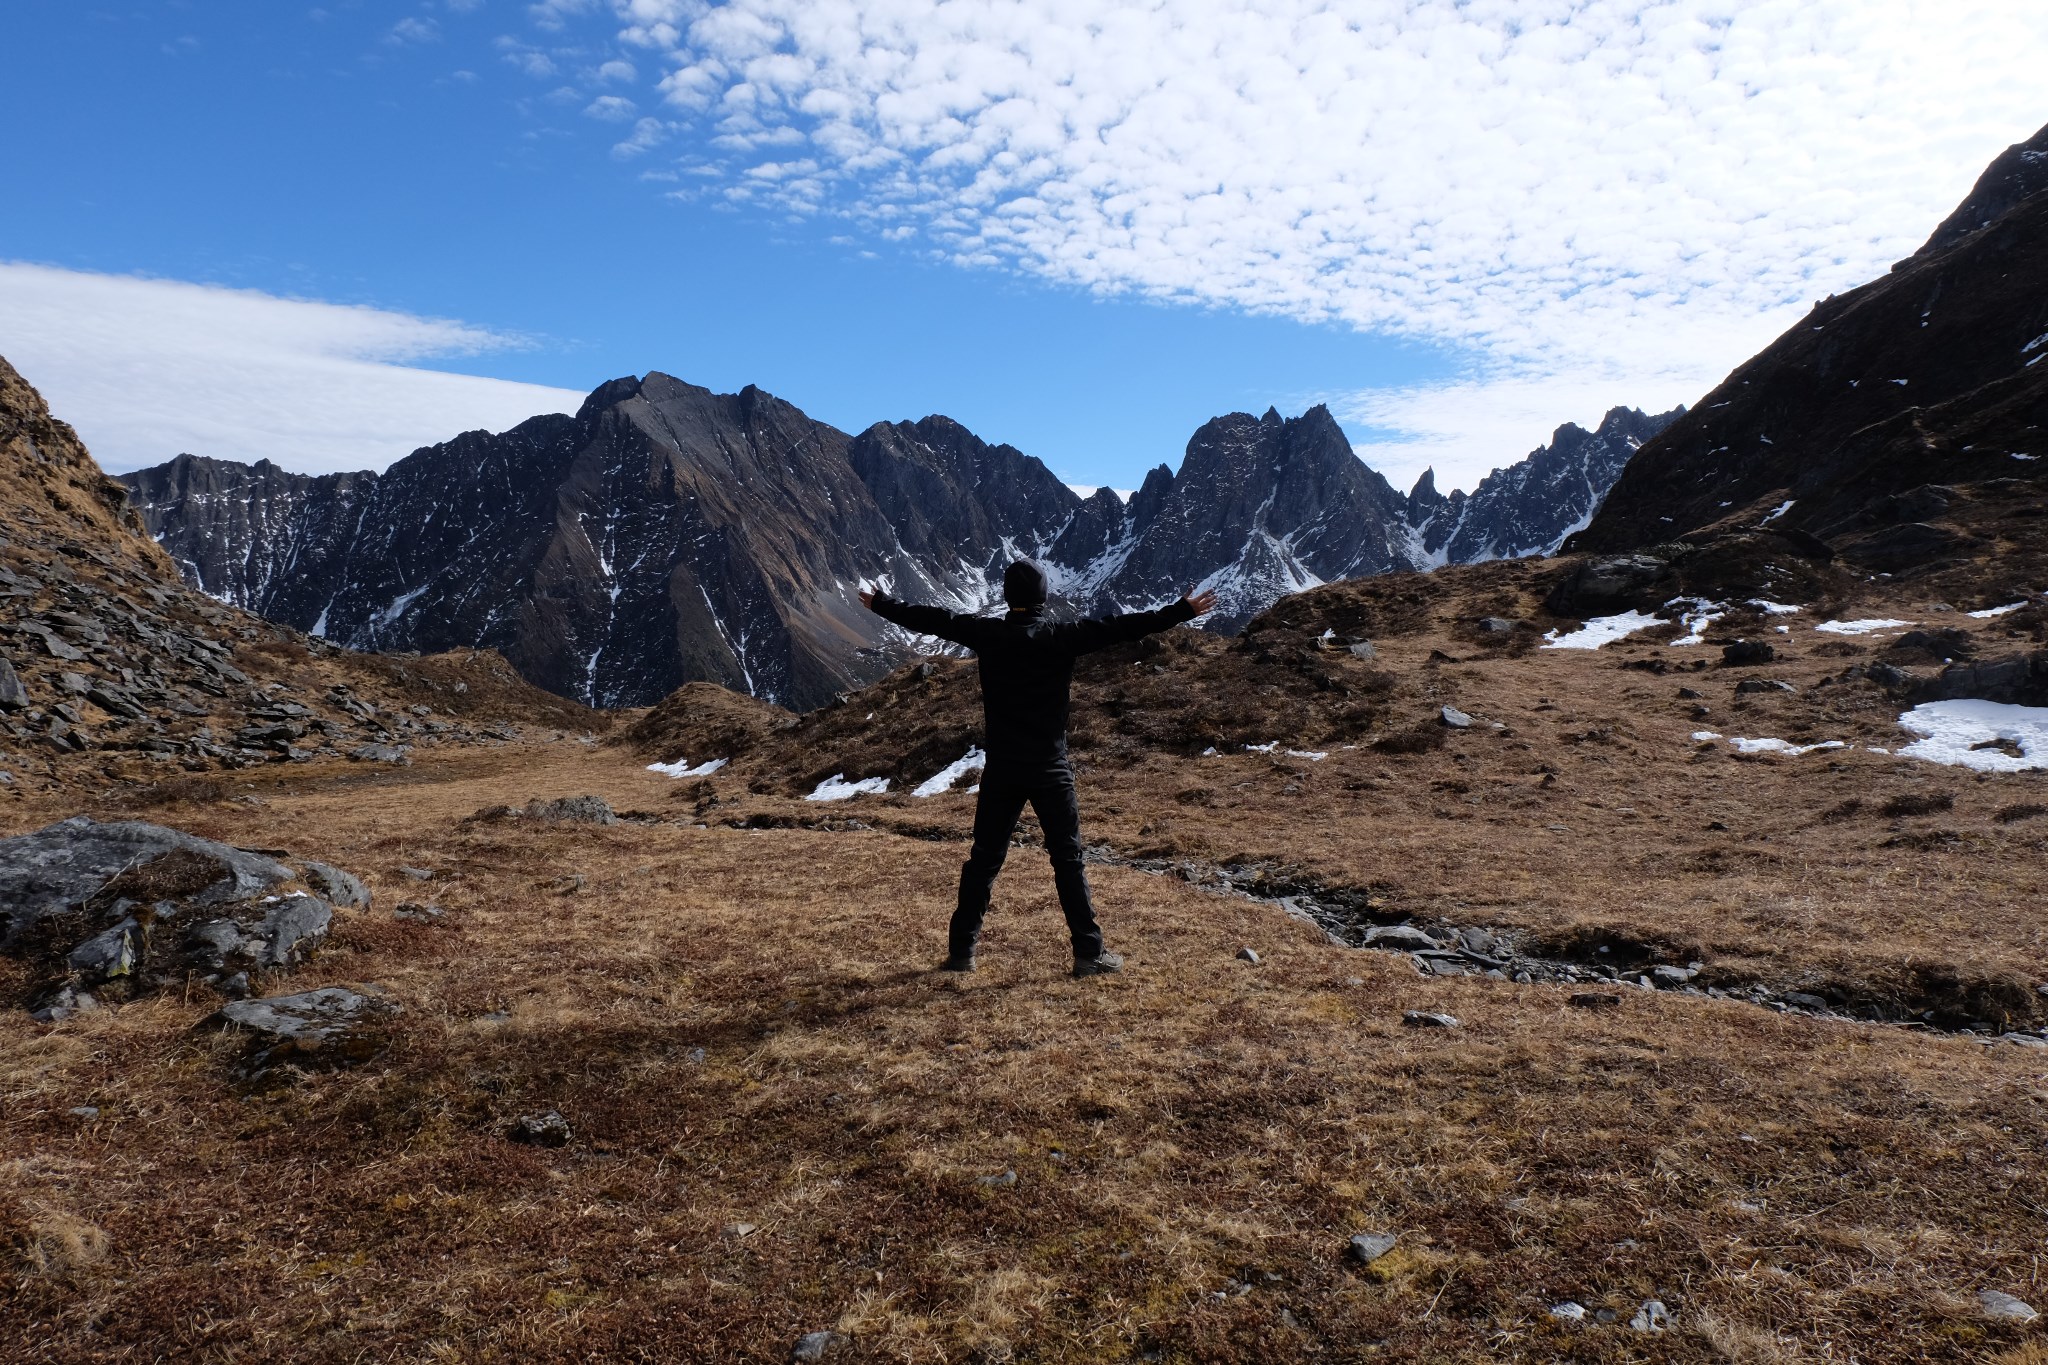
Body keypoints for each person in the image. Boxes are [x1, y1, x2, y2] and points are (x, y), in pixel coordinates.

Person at [860, 561, 1219, 977]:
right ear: (1044, 597)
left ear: (1008, 598)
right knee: (1068, 859)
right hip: (1050, 767)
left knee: (984, 859)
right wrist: (1182, 611)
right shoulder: (1062, 638)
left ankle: (962, 953)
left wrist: (882, 605)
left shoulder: (986, 634)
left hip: (1003, 768)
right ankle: (1088, 954)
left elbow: (934, 619)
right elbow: (1122, 627)